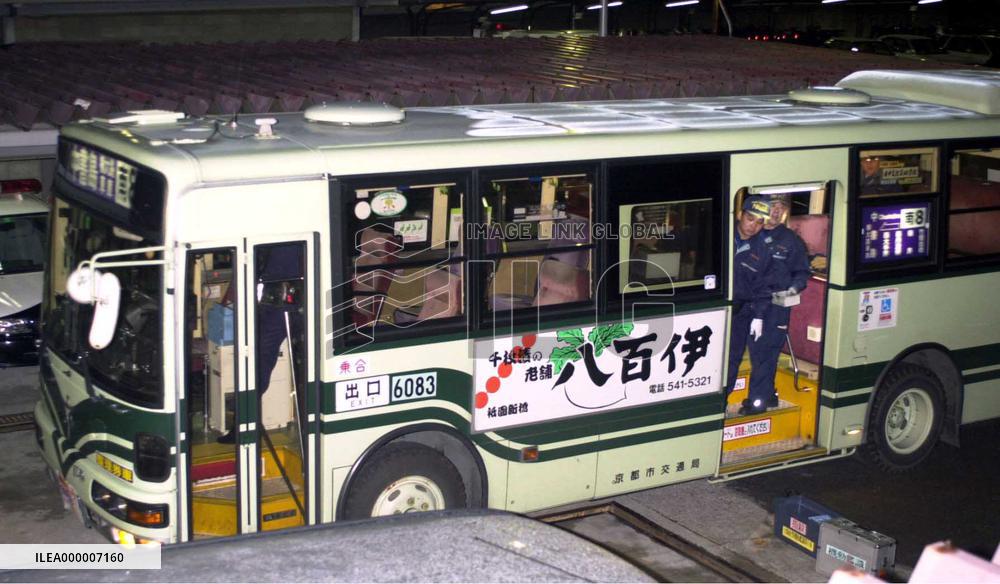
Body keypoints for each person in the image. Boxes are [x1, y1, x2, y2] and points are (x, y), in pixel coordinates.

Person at [219, 243, 305, 444]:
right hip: (278, 300)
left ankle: (246, 426)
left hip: (284, 302)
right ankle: (246, 424)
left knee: (260, 364)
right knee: (260, 364)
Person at [753, 195, 811, 411]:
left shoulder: (790, 240)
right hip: (751, 305)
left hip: (777, 306)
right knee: (753, 352)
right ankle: (767, 395)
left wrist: (794, 288)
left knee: (768, 352)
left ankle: (758, 400)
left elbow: (802, 271)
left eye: (781, 206)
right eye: (772, 206)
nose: (776, 211)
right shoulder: (750, 234)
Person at [725, 196, 775, 416]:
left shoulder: (762, 251)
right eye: (750, 218)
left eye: (759, 222)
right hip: (712, 312)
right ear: (740, 215)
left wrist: (759, 316)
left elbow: (765, 287)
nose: (752, 225)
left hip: (740, 315)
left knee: (732, 361)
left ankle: (720, 404)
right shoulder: (721, 235)